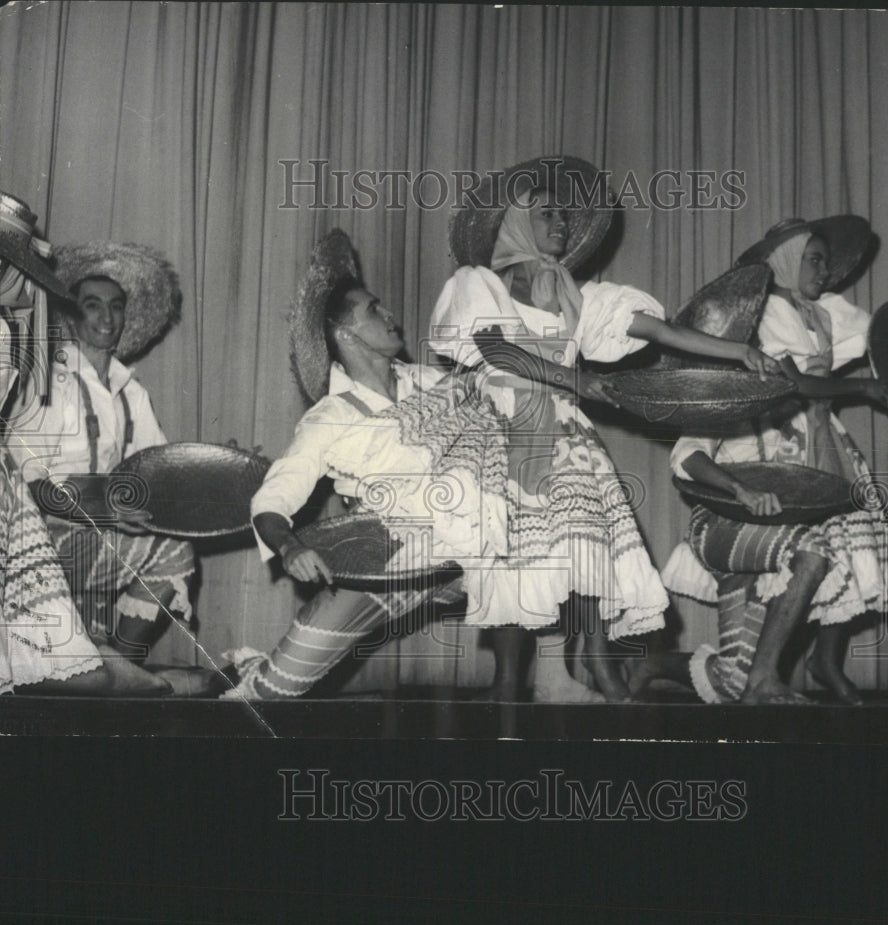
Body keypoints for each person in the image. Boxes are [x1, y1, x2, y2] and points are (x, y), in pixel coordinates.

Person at [429, 155, 781, 702]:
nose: (562, 224)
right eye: (548, 214)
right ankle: (505, 689)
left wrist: (739, 350)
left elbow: (662, 331)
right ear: (514, 223)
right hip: (504, 427)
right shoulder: (479, 285)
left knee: (582, 543)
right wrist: (576, 379)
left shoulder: (577, 295)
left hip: (563, 430)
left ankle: (574, 666)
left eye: (564, 216)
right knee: (514, 553)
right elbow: (495, 350)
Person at [225, 230, 532, 702]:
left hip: (456, 556)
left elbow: (507, 399)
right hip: (380, 561)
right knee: (272, 694)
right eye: (374, 309)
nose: (390, 315)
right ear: (345, 333)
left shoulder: (434, 384)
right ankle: (243, 675)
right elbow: (271, 501)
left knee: (535, 551)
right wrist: (289, 548)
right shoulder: (331, 416)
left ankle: (510, 690)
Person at [661, 215, 888, 704]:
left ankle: (811, 662)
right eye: (812, 260)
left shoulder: (822, 316)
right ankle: (742, 674)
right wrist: (739, 489)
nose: (824, 269)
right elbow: (686, 456)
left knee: (851, 537)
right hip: (729, 524)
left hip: (802, 476)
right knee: (737, 673)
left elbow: (874, 334)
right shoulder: (726, 389)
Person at [5, 241, 216, 695]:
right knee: (171, 555)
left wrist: (207, 467)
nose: (106, 317)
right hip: (42, 543)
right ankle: (124, 676)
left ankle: (122, 667)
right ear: (70, 315)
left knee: (173, 552)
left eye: (115, 307)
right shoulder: (50, 379)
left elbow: (156, 471)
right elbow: (32, 483)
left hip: (102, 536)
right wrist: (101, 510)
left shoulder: (130, 389)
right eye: (93, 305)